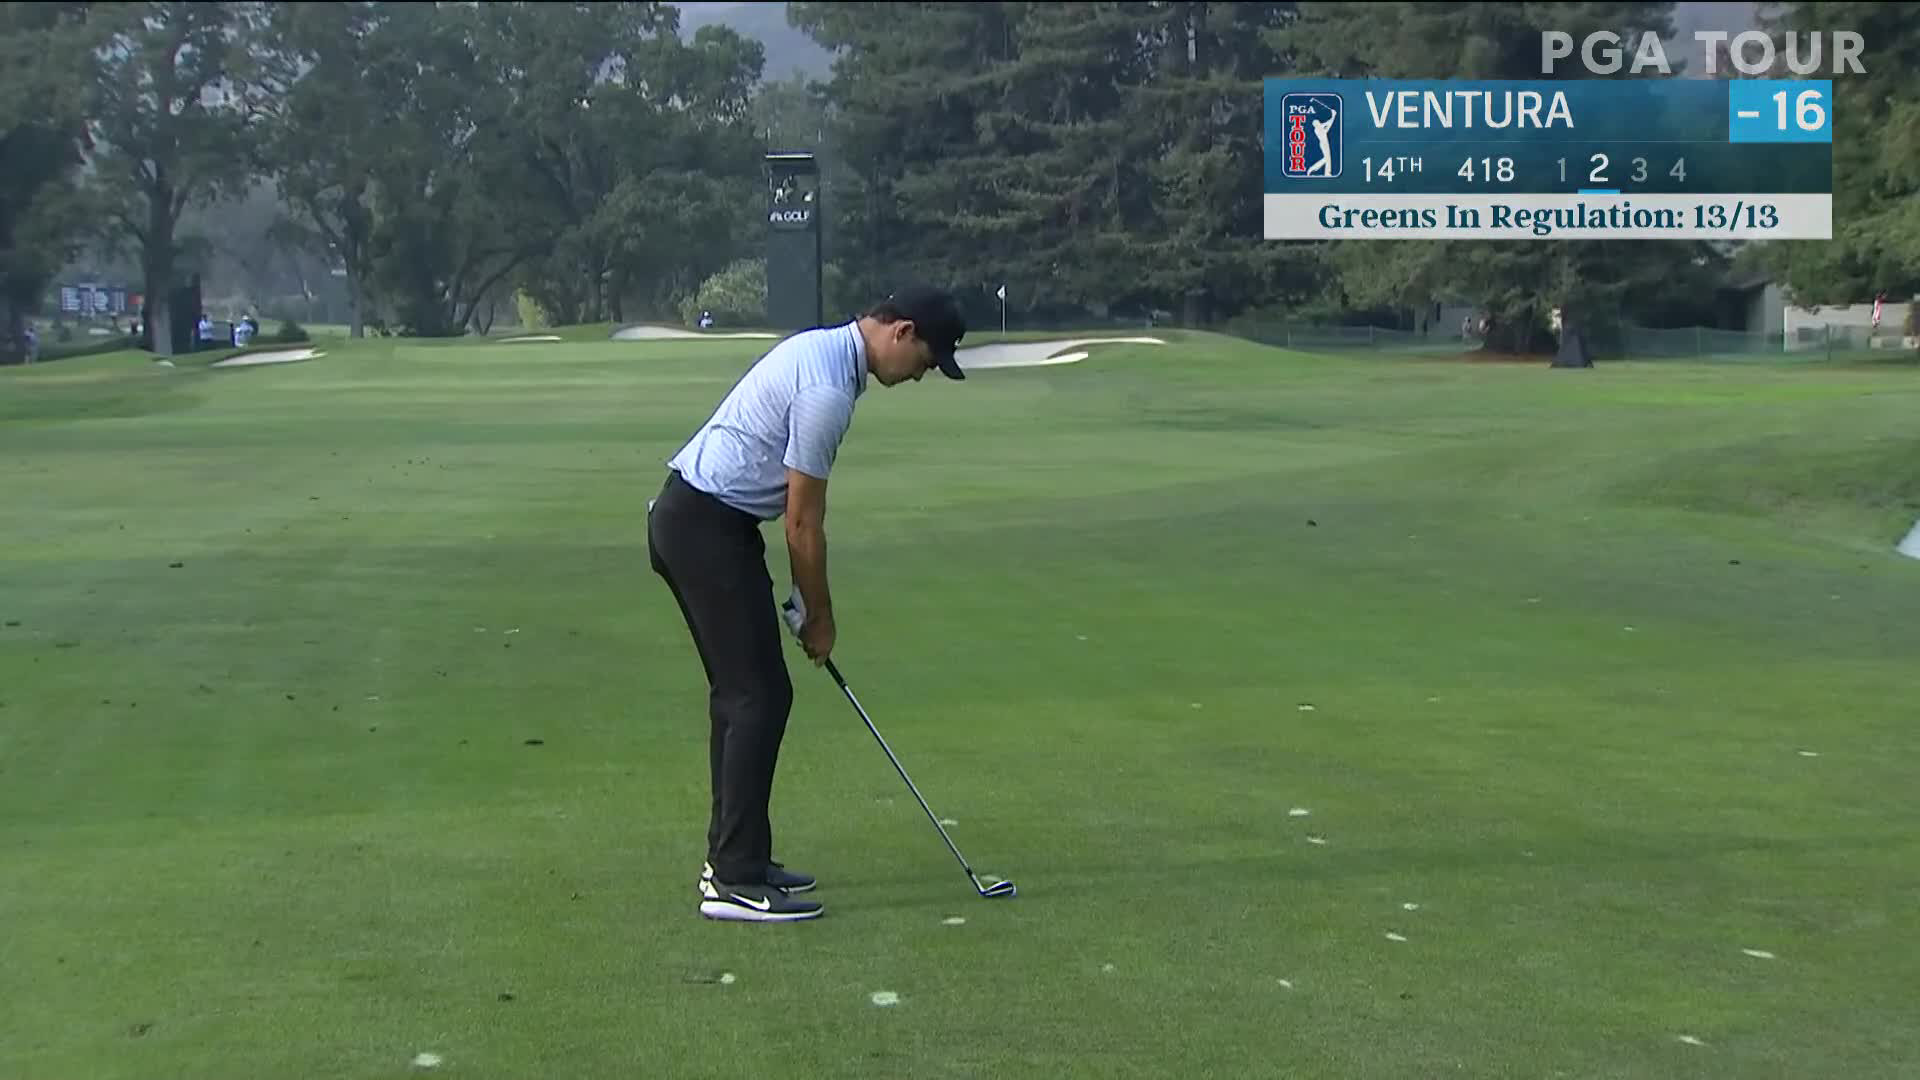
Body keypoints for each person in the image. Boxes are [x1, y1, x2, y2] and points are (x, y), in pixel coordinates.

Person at [646, 286, 968, 923]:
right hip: (703, 528)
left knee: (745, 695)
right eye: (927, 361)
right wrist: (818, 615)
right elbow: (802, 523)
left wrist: (807, 603)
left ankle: (734, 857)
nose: (921, 375)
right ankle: (734, 879)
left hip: (704, 523)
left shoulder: (826, 354)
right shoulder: (827, 389)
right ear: (901, 332)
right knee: (756, 697)